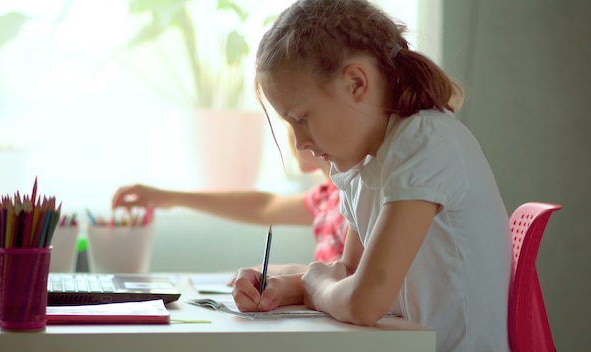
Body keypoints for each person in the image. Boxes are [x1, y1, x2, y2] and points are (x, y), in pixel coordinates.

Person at [230, 0, 511, 351]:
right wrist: (282, 288)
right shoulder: (364, 167)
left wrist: (317, 287)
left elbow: (365, 301)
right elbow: (349, 273)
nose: (300, 143)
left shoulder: (425, 142)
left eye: (301, 118)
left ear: (356, 83)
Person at [111, 130, 348, 275]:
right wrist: (170, 198)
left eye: (297, 119)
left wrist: (285, 276)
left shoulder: (360, 199)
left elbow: (351, 278)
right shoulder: (326, 197)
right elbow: (262, 207)